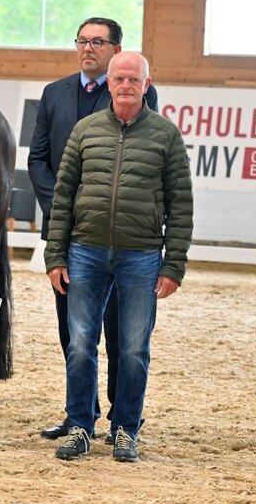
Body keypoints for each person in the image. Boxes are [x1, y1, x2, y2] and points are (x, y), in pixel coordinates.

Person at [44, 51, 193, 462]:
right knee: (80, 344)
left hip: (141, 255)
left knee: (133, 348)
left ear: (147, 84)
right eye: (119, 78)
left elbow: (181, 203)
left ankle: (126, 429)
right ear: (108, 83)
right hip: (84, 251)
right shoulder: (85, 131)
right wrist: (55, 254)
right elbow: (62, 196)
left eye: (134, 79)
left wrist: (174, 264)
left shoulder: (166, 135)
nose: (126, 85)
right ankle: (79, 425)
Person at [28, 17, 159, 442]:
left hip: (117, 233)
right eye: (82, 40)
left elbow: (141, 160)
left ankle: (123, 418)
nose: (88, 48)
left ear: (116, 49)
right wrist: (65, 210)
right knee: (74, 332)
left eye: (98, 42)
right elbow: (38, 160)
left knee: (122, 332)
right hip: (68, 232)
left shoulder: (132, 90)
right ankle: (79, 415)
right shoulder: (53, 93)